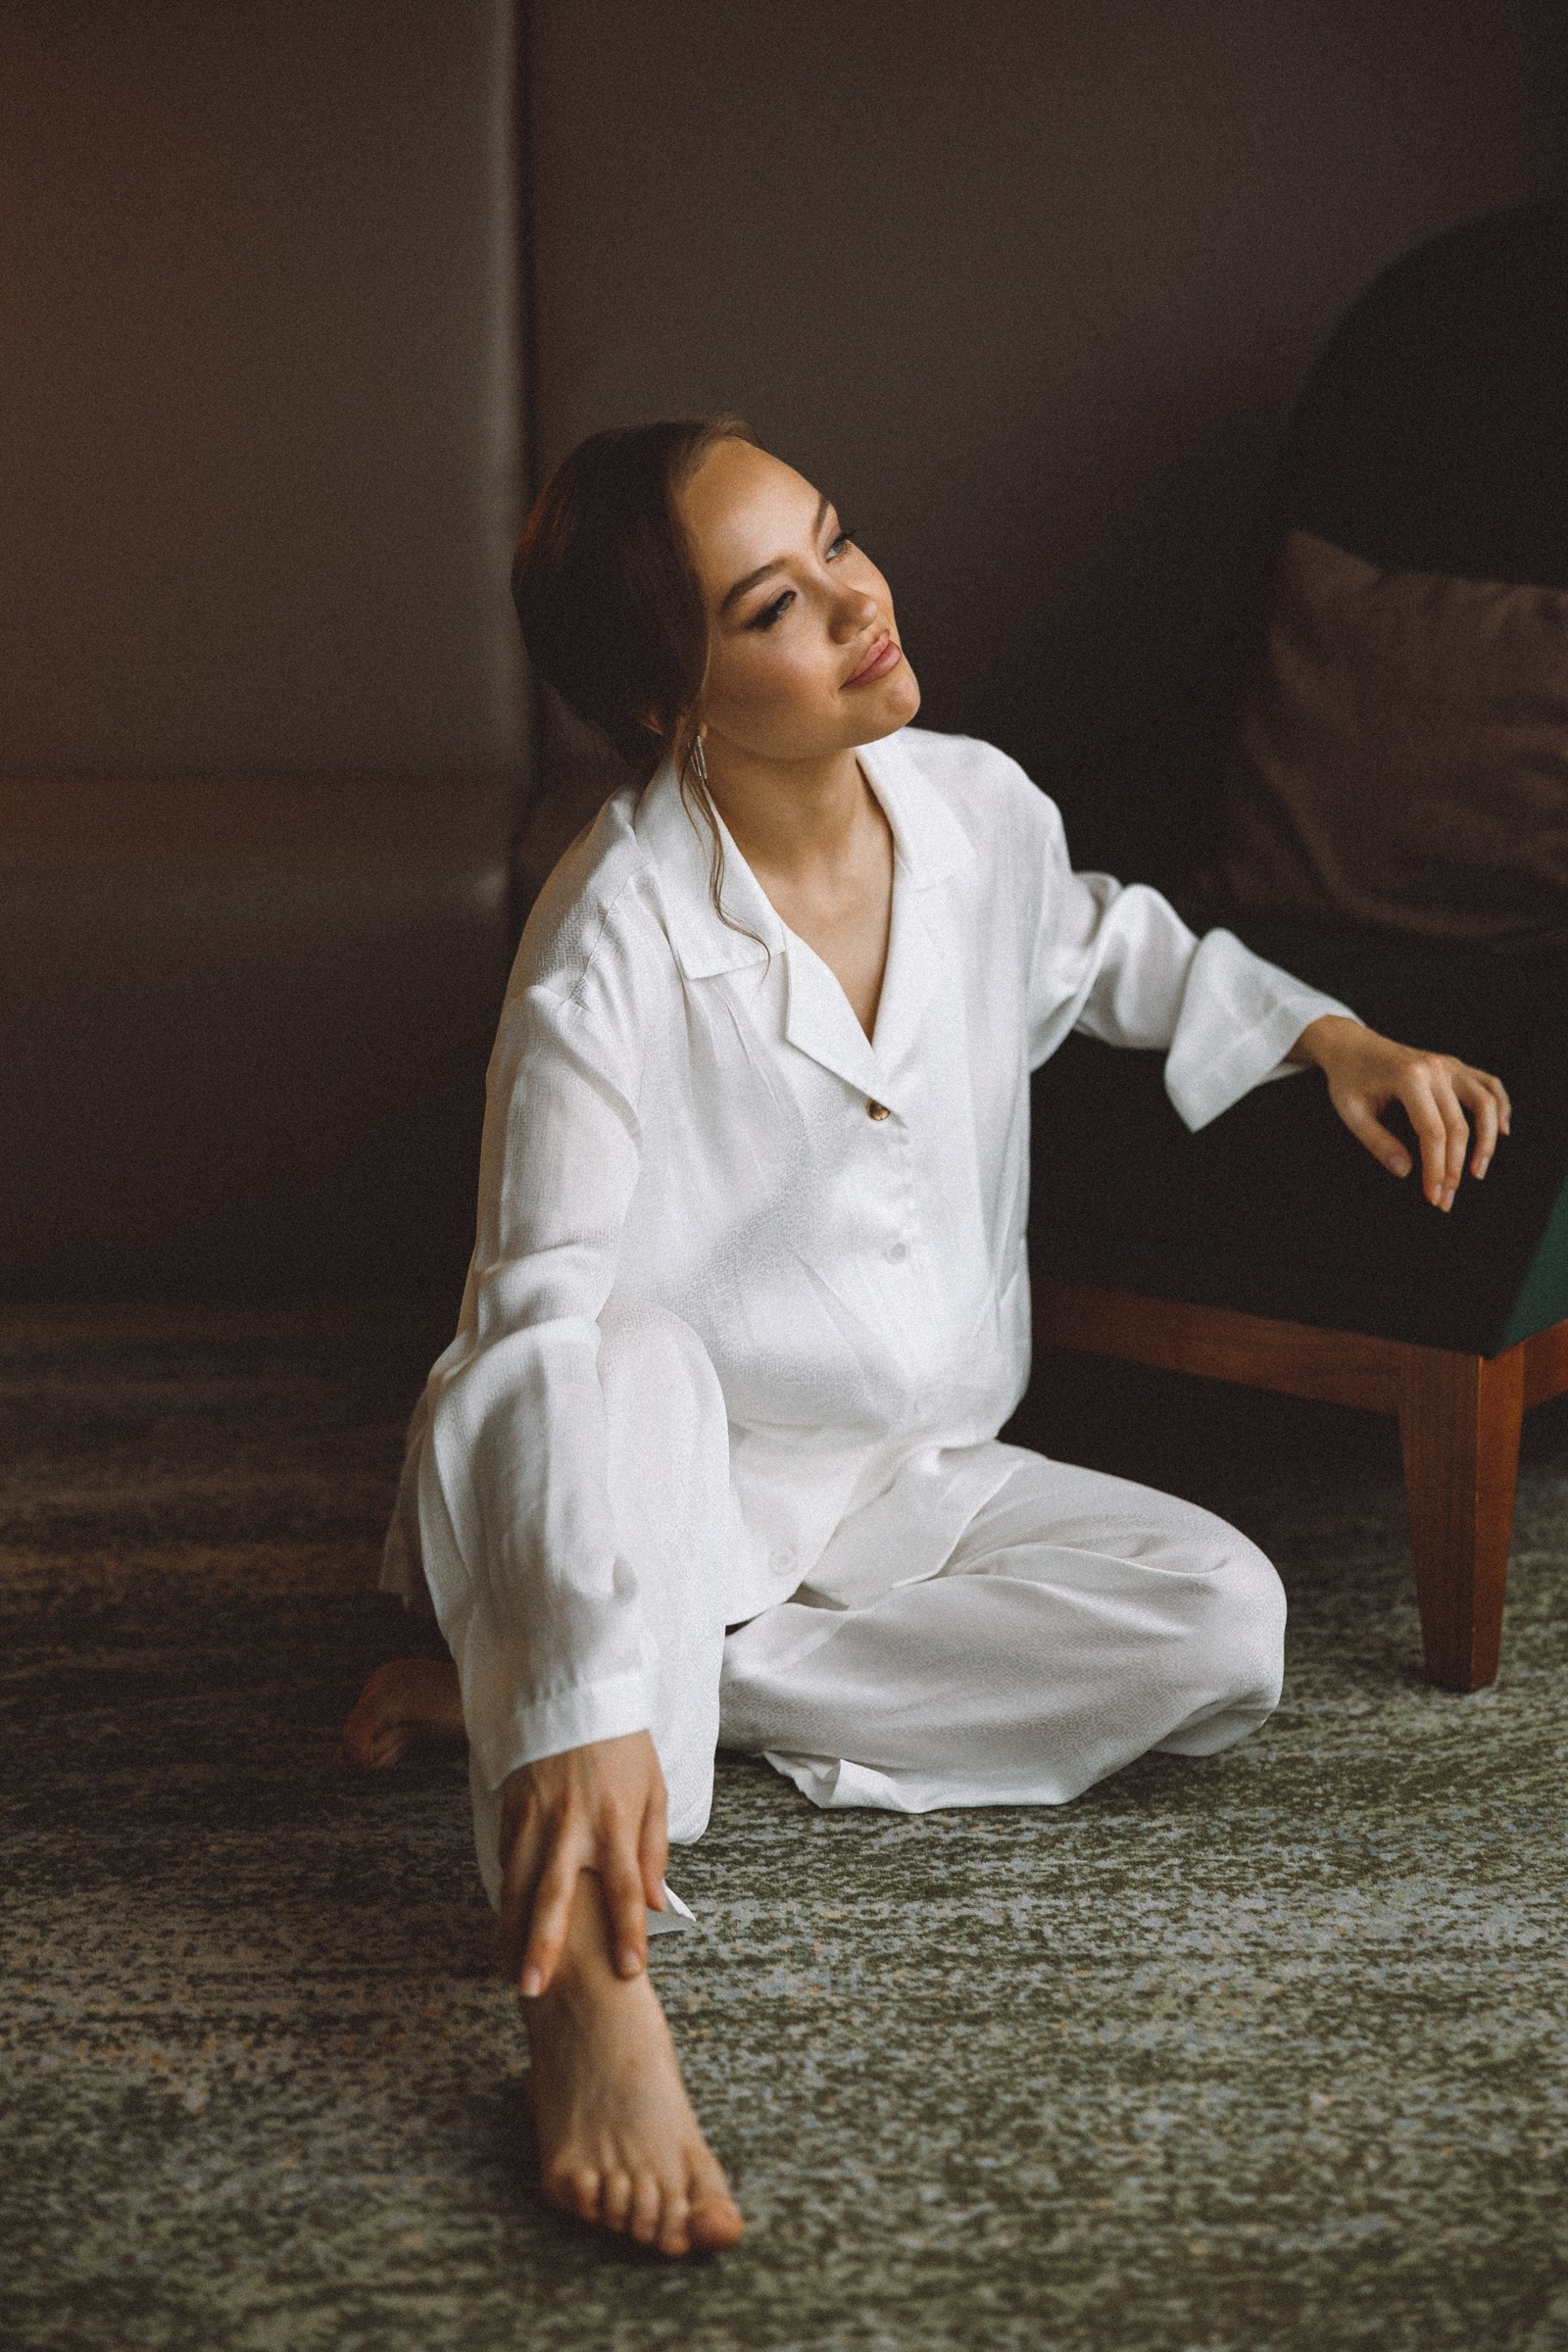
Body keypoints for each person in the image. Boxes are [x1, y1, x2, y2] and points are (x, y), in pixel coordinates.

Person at [338, 417, 1510, 2258]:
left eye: (838, 540)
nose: (856, 600)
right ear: (666, 702)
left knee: (1224, 1624)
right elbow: (533, 1327)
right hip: (640, 1480)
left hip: (910, 1479)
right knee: (625, 1348)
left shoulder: (974, 810)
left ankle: (623, 1698)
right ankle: (587, 1983)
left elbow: (1101, 944)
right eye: (774, 605)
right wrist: (578, 1652)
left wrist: (1330, 1037)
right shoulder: (610, 935)